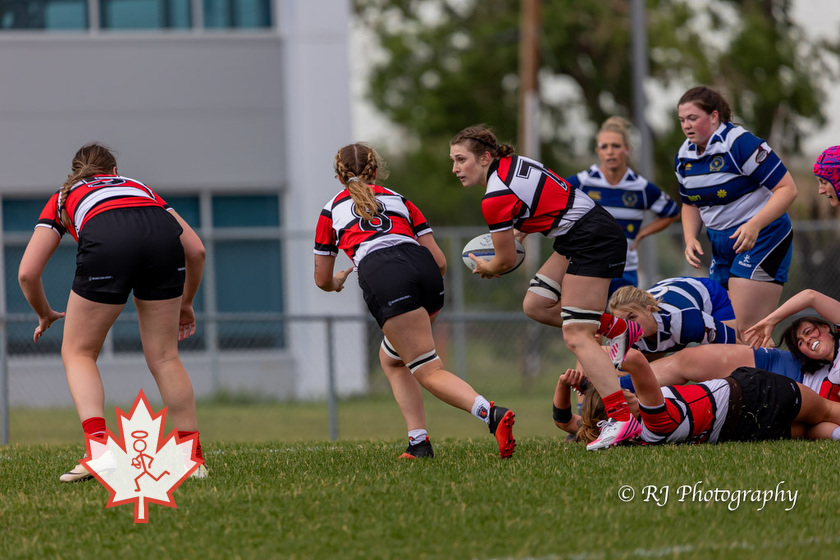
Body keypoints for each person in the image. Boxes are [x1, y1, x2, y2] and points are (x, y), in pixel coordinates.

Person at [17, 143, 207, 482]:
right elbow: (196, 250)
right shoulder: (139, 187)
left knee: (78, 352)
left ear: (75, 174)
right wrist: (186, 302)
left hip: (108, 242)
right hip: (161, 240)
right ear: (115, 172)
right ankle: (192, 459)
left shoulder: (64, 195)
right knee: (165, 357)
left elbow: (27, 273)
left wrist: (44, 313)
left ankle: (99, 452)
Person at [314, 142, 515, 459]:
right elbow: (440, 262)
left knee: (427, 369)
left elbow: (322, 279)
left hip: (385, 276)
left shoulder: (330, 211)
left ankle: (492, 415)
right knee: (393, 359)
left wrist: (338, 281)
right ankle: (418, 442)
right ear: (376, 172)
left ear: (339, 178)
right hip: (425, 273)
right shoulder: (400, 200)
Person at [450, 124, 644, 450]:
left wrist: (488, 267)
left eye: (460, 159)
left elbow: (506, 259)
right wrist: (520, 234)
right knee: (536, 305)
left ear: (484, 157)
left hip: (590, 239)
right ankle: (619, 329)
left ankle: (621, 420)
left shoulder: (494, 196)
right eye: (453, 161)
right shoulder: (515, 164)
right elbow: (548, 200)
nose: (455, 169)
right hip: (582, 234)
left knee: (577, 335)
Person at [676, 86, 797, 341]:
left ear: (714, 116)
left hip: (762, 236)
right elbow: (689, 203)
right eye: (682, 120)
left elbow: (787, 189)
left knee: (747, 332)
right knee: (724, 335)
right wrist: (690, 238)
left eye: (693, 118)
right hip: (721, 242)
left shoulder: (739, 143)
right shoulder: (684, 155)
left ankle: (784, 381)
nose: (686, 125)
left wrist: (755, 224)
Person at [557, 348, 840, 446]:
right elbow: (637, 361)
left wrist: (563, 385)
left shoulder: (634, 437)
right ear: (621, 407)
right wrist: (596, 348)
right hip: (753, 393)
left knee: (806, 431)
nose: (626, 390)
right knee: (825, 410)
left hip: (744, 429)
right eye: (621, 395)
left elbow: (564, 421)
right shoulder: (656, 418)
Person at [565, 116, 679, 296]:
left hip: (625, 269)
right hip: (589, 266)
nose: (610, 151)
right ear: (598, 151)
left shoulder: (640, 187)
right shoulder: (582, 183)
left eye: (616, 146)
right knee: (590, 322)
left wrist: (642, 234)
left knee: (622, 319)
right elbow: (551, 200)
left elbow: (672, 212)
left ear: (627, 150)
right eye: (605, 146)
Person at [745, 289, 840, 402]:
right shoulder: (830, 383)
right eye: (800, 343)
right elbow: (827, 412)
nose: (807, 340)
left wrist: (770, 321)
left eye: (808, 331)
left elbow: (810, 296)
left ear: (825, 327)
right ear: (806, 355)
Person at [607, 276, 738, 358]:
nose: (628, 326)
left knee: (728, 352)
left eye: (632, 317)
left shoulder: (683, 319)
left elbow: (738, 347)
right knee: (631, 369)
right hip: (669, 290)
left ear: (649, 310)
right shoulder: (621, 335)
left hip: (709, 295)